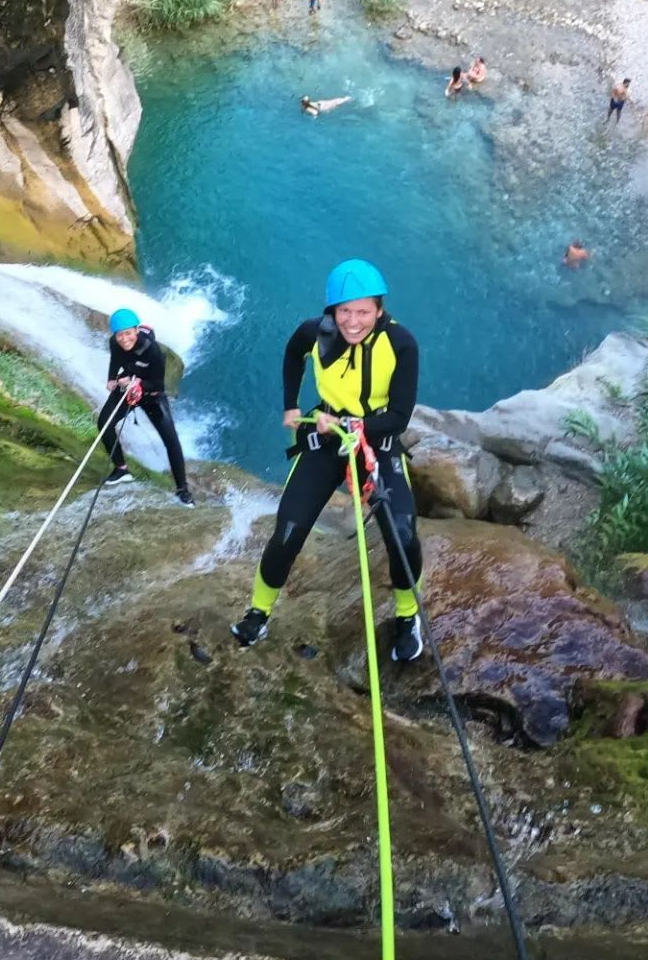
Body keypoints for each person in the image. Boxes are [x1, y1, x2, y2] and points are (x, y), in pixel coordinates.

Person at [231, 260, 424, 661]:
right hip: (326, 435)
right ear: (332, 311)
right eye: (344, 311)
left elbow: (400, 415)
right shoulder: (315, 334)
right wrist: (290, 405)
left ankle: (408, 616)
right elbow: (292, 354)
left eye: (363, 312)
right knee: (288, 530)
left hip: (376, 438)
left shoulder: (401, 343)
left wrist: (355, 425)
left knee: (402, 533)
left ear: (380, 310)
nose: (353, 322)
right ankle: (258, 611)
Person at [98, 308, 193, 506]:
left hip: (151, 395)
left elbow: (159, 384)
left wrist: (139, 385)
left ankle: (182, 489)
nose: (124, 339)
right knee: (104, 423)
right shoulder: (114, 343)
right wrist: (111, 378)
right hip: (128, 386)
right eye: (120, 335)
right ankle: (121, 469)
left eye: (128, 334)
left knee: (171, 440)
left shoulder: (152, 349)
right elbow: (115, 359)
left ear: (136, 331)